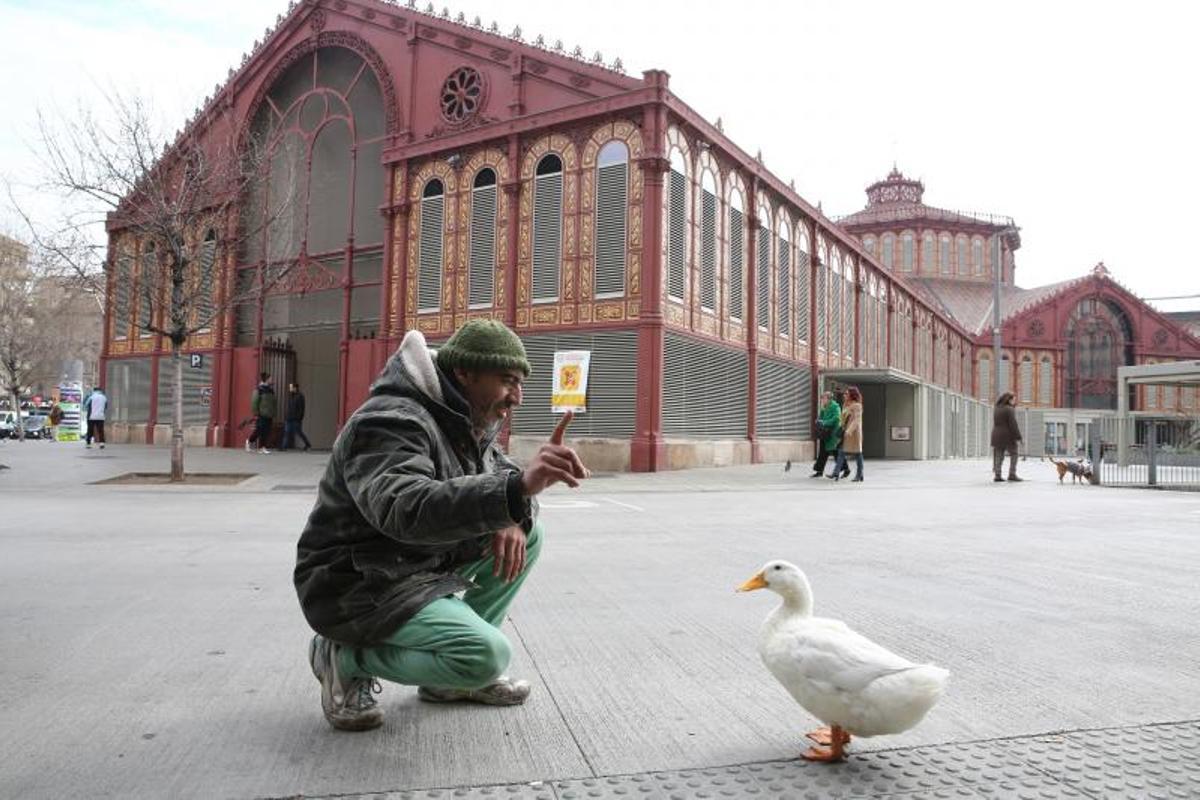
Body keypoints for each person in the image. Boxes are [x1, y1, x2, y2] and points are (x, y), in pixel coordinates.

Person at [294, 319, 588, 732]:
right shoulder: (389, 422)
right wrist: (516, 489)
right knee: (483, 656)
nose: (517, 397)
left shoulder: (468, 417)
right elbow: (404, 509)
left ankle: (446, 684)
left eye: (520, 383)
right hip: (358, 581)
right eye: (507, 381)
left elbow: (501, 483)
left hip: (416, 566)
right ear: (465, 373)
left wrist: (516, 508)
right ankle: (342, 658)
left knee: (527, 532)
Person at [831, 386, 864, 482]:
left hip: (854, 434)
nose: (844, 395)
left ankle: (859, 474)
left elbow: (856, 420)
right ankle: (836, 472)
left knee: (858, 454)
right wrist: (840, 428)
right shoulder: (845, 405)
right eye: (844, 393)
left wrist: (849, 431)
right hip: (845, 432)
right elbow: (843, 419)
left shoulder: (857, 405)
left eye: (846, 393)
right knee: (841, 452)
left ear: (851, 395)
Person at [991, 391, 1023, 482]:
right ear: (1009, 400)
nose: (1015, 401)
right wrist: (1018, 437)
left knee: (998, 455)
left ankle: (997, 475)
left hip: (996, 434)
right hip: (1007, 435)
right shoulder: (1009, 409)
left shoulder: (996, 408)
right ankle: (1012, 474)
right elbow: (1013, 425)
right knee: (1014, 453)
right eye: (1014, 400)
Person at [810, 391, 841, 478]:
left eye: (823, 398)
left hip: (832, 433)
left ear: (829, 399)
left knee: (835, 452)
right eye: (822, 398)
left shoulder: (835, 407)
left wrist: (824, 422)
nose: (822, 400)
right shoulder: (824, 407)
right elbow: (821, 416)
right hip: (825, 432)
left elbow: (836, 418)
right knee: (822, 452)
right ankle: (819, 471)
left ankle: (845, 468)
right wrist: (818, 420)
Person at [246, 373, 277, 454]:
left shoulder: (271, 390)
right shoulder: (259, 389)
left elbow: (273, 402)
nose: (272, 380)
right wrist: (256, 413)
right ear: (266, 379)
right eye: (270, 378)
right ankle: (251, 442)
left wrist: (274, 412)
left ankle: (261, 447)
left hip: (269, 414)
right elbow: (254, 402)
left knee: (266, 431)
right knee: (260, 430)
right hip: (261, 414)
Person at [280, 382, 311, 452]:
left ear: (295, 388)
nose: (290, 389)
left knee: (299, 432)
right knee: (286, 432)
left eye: (291, 387)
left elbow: (301, 408)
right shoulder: (291, 396)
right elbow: (289, 407)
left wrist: (299, 417)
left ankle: (307, 444)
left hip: (296, 418)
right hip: (289, 417)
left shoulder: (300, 396)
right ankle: (283, 446)